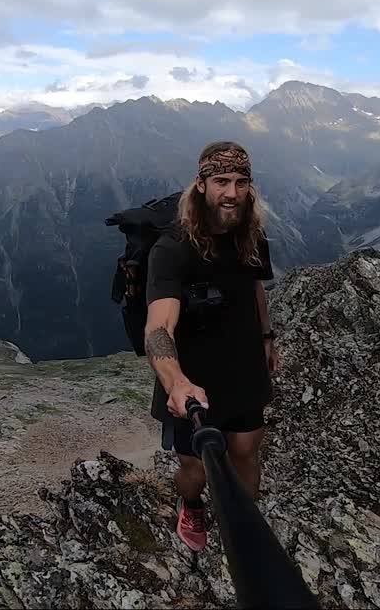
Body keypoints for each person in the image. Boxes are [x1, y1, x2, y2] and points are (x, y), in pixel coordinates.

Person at [143, 140, 280, 553]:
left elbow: (254, 287)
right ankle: (191, 505)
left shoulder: (251, 236)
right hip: (193, 377)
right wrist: (176, 383)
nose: (232, 192)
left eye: (240, 182)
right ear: (201, 184)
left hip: (243, 365)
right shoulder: (172, 248)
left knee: (245, 451)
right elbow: (159, 327)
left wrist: (267, 337)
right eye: (221, 181)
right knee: (196, 467)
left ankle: (244, 522)